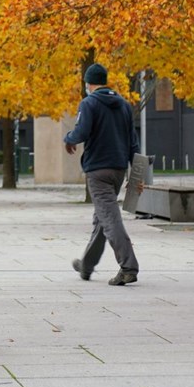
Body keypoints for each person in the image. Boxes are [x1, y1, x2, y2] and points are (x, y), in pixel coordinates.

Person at [64, 63, 141, 286]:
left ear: (88, 83)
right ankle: (86, 266)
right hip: (118, 170)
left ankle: (128, 267)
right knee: (102, 218)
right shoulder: (124, 106)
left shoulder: (89, 103)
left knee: (110, 218)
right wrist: (136, 177)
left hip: (97, 171)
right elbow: (133, 143)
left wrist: (69, 139)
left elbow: (82, 131)